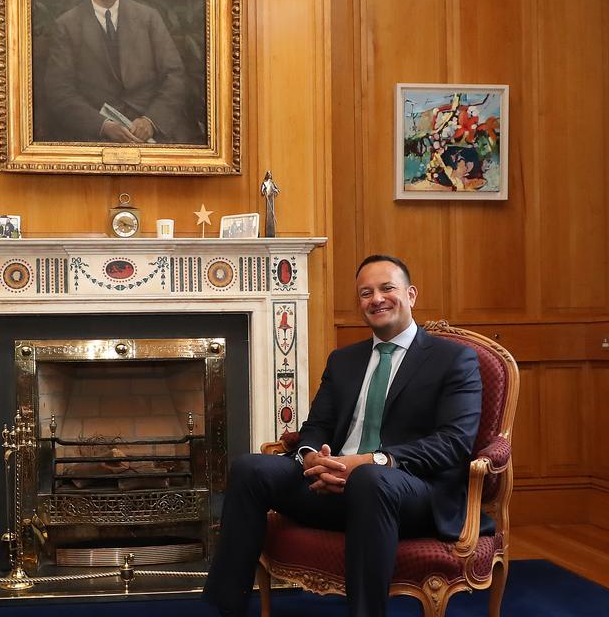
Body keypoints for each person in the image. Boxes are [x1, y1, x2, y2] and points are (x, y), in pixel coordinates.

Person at [203, 255, 482, 617]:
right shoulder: (344, 360)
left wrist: (370, 461)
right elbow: (317, 425)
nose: (376, 299)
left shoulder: (454, 359)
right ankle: (228, 607)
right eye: (366, 293)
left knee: (370, 479)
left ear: (411, 295)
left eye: (387, 288)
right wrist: (310, 457)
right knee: (249, 469)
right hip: (331, 484)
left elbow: (454, 442)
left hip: (409, 492)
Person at [42, 0, 190, 143]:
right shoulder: (67, 25)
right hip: (94, 135)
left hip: (151, 131)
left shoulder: (148, 18)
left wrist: (150, 121)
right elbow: (59, 91)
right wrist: (102, 126)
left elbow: (175, 75)